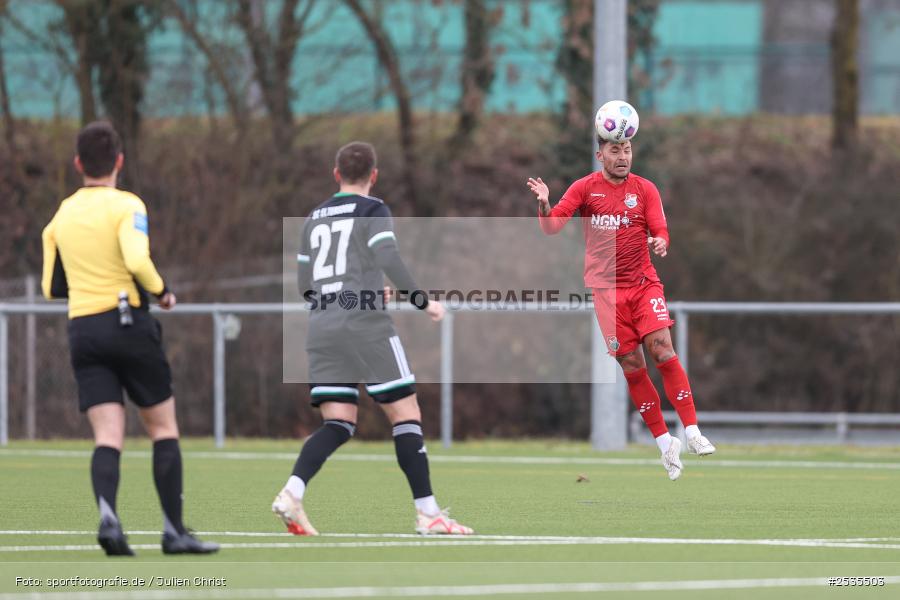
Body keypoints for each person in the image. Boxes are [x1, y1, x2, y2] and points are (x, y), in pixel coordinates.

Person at [272, 141, 473, 536]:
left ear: (336, 175)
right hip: (365, 326)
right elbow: (387, 258)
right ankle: (428, 513)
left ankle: (292, 493)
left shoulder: (313, 219)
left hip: (323, 325)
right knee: (405, 414)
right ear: (374, 175)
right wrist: (423, 301)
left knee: (339, 422)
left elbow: (303, 284)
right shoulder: (373, 209)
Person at [41, 121, 218, 556]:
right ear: (119, 161)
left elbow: (51, 286)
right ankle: (174, 532)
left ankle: (109, 517)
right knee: (162, 427)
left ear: (79, 163)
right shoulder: (126, 205)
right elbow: (137, 258)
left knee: (107, 434)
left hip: (84, 329)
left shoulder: (61, 215)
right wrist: (162, 291)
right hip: (127, 323)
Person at [526, 134, 716, 481]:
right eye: (615, 150)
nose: (623, 156)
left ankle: (691, 431)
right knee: (632, 365)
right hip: (606, 293)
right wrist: (544, 204)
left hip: (643, 285)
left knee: (662, 350)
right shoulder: (584, 188)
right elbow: (552, 227)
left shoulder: (645, 190)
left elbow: (661, 230)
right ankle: (665, 445)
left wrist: (660, 241)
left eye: (626, 149)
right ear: (601, 155)